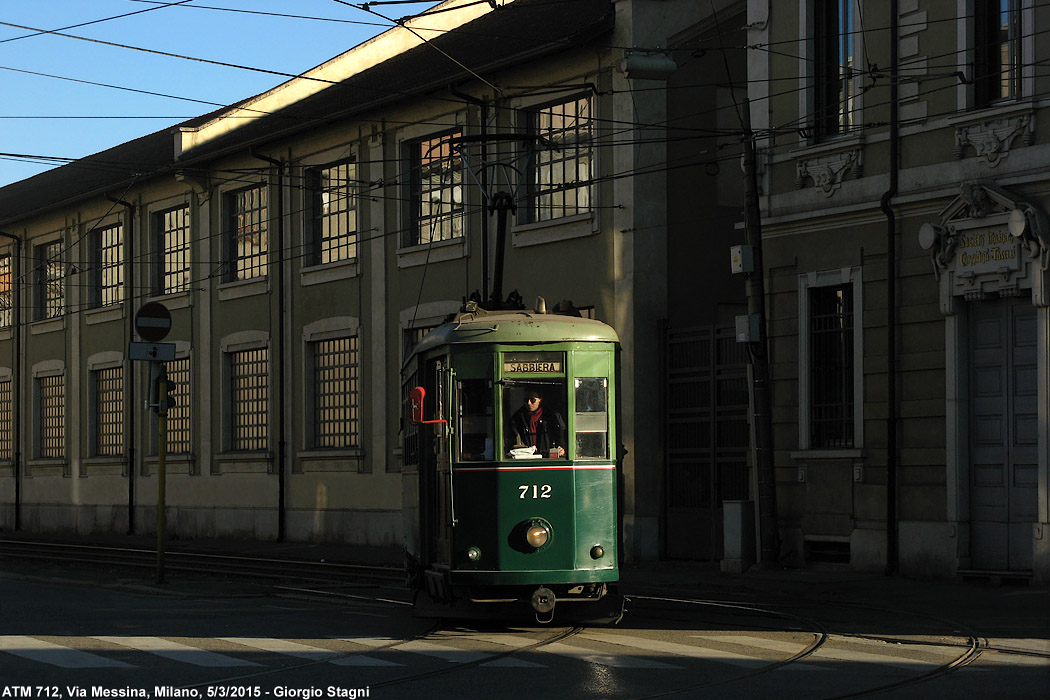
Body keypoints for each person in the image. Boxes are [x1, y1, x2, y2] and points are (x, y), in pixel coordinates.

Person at [509, 389, 566, 458]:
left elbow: (562, 435)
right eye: (526, 400)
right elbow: (512, 441)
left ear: (540, 400)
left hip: (548, 459)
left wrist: (562, 448)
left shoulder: (553, 417)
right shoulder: (517, 418)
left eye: (532, 400)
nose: (529, 403)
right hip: (527, 459)